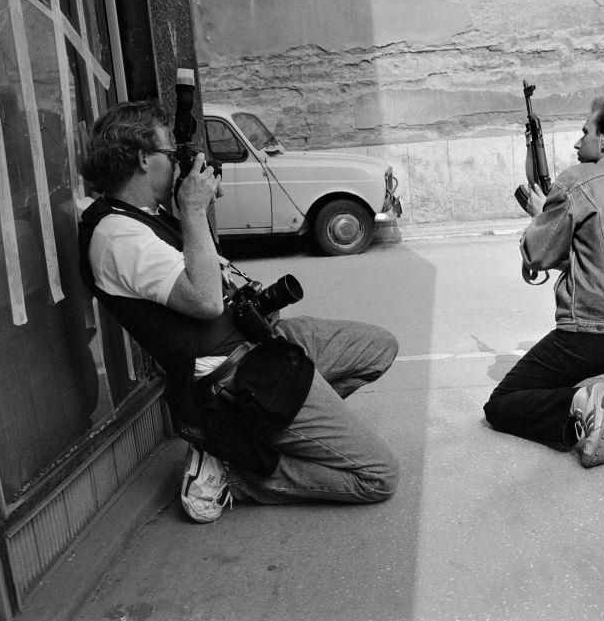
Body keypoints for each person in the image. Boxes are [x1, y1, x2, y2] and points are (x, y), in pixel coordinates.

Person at [78, 100, 399, 523]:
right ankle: (235, 472)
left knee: (378, 348)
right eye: (170, 155)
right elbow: (206, 300)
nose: (178, 164)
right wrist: (192, 209)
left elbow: (209, 268)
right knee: (377, 476)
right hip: (235, 374)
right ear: (142, 159)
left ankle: (253, 436)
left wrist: (191, 212)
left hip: (261, 339)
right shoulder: (118, 237)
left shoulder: (145, 216)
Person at [484, 97, 604, 468]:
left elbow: (536, 254)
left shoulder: (576, 180)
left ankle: (586, 404)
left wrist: (541, 216)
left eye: (584, 132)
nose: (577, 143)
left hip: (593, 337)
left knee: (502, 404)